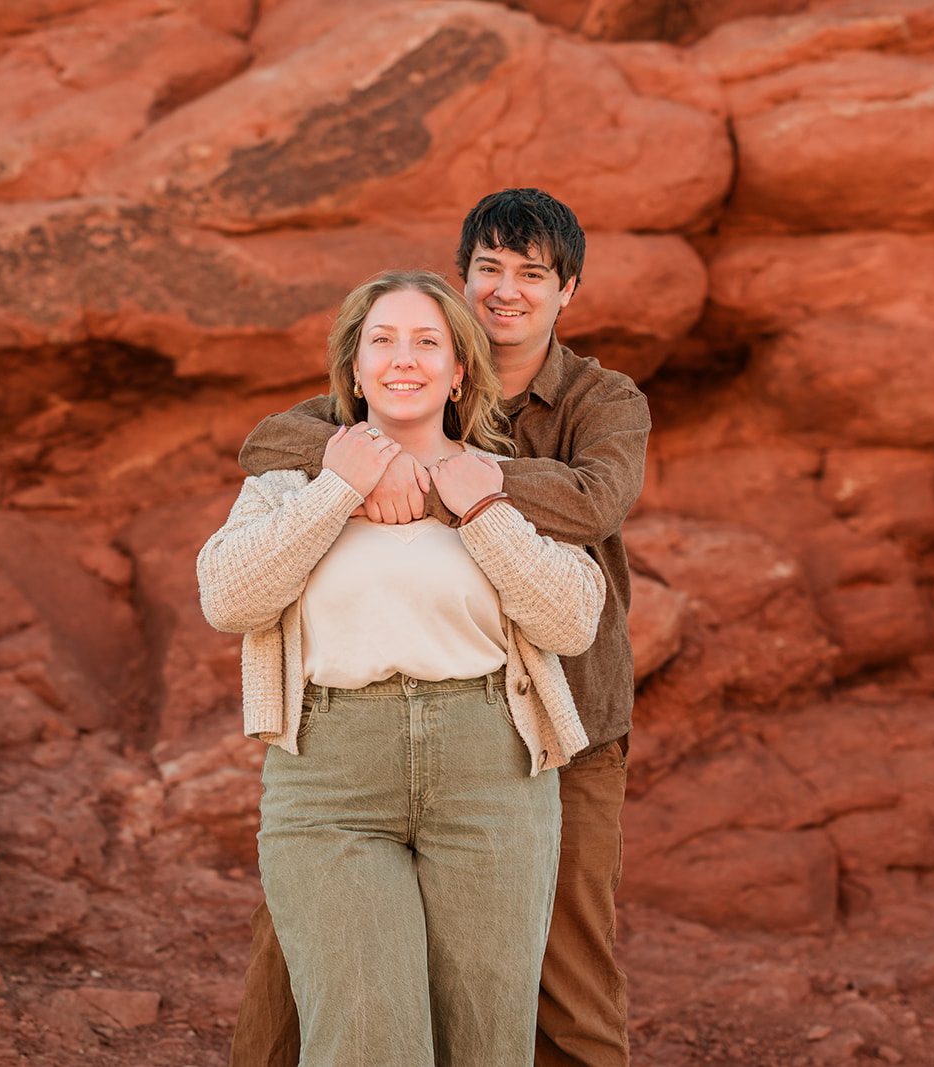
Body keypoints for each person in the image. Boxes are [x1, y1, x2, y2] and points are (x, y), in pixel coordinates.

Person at [230, 188, 648, 1066]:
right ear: (463, 281)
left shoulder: (601, 400)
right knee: (305, 961)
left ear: (566, 290)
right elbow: (271, 441)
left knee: (558, 971)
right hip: (348, 747)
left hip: (560, 713)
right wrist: (381, 457)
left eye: (532, 274)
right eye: (488, 270)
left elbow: (594, 500)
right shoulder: (398, 373)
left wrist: (456, 475)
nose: (507, 290)